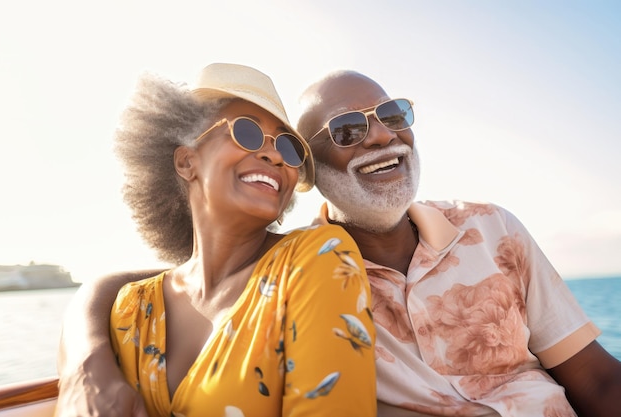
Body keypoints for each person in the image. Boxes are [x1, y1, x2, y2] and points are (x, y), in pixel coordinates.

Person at [55, 68, 621, 417]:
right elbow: (126, 287)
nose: (382, 134)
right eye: (348, 130)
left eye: (393, 114)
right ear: (315, 174)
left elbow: (596, 379)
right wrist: (87, 360)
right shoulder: (297, 268)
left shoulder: (494, 227)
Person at [54, 63, 377, 417]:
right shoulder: (132, 307)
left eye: (288, 148)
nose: (274, 155)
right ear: (186, 161)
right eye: (247, 133)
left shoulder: (318, 257)